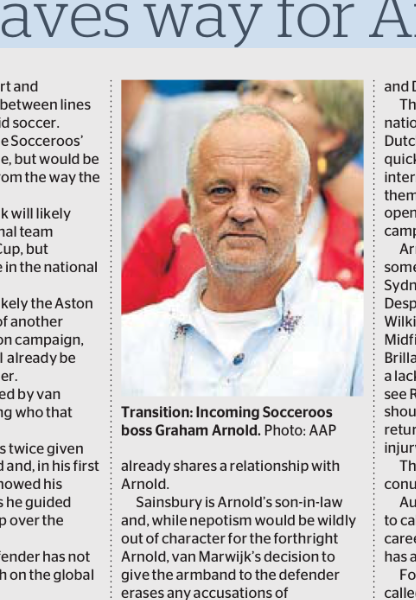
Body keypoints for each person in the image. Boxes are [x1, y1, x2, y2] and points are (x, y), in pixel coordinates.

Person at [120, 106, 364, 397]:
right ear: (190, 209)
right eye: (220, 191)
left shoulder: (357, 329)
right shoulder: (127, 342)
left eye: (265, 190)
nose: (241, 211)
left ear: (303, 209)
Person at [121, 78, 364, 306]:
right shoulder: (176, 219)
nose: (258, 103)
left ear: (332, 134)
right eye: (254, 88)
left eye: (284, 94)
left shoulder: (361, 248)